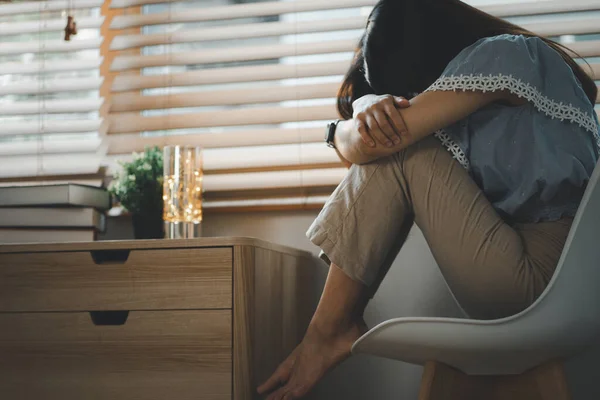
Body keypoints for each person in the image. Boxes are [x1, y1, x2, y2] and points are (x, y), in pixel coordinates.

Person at [258, 0, 600, 398]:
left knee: (400, 151)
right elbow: (377, 138)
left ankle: (328, 331)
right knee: (396, 146)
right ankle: (331, 329)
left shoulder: (504, 54)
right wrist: (366, 105)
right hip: (540, 278)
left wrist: (337, 131)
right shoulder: (498, 85)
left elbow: (382, 142)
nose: (419, 97)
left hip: (541, 280)